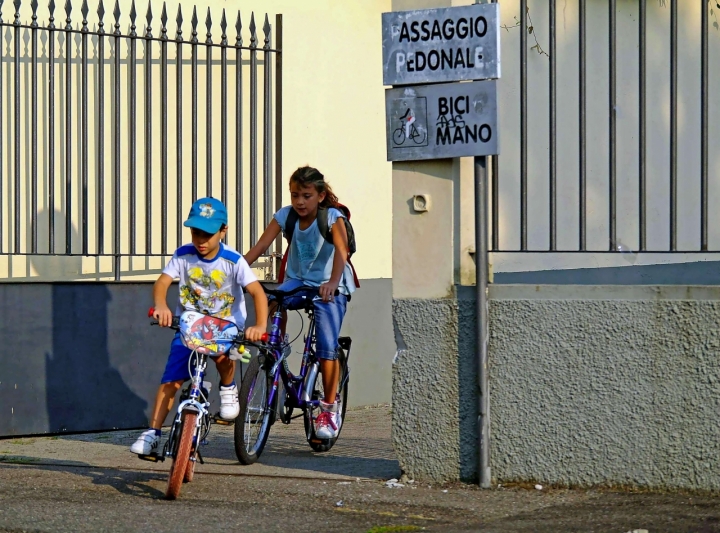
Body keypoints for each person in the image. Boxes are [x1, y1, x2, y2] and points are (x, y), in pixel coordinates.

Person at [130, 197, 268, 456]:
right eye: (196, 233)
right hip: (191, 326)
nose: (201, 241)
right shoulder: (183, 255)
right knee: (171, 380)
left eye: (208, 234)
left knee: (227, 357)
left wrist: (259, 325)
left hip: (225, 326)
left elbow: (257, 293)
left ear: (223, 230)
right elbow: (162, 283)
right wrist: (161, 305)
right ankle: (152, 433)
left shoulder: (233, 260)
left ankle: (228, 389)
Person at [244, 166, 356, 439]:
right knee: (269, 305)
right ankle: (275, 357)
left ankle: (329, 408)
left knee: (327, 347)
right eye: (295, 195)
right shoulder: (285, 216)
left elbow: (342, 251)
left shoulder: (331, 216)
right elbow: (259, 247)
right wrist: (236, 272)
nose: (299, 202)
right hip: (297, 281)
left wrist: (332, 281)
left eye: (306, 195)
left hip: (330, 284)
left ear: (320, 195)